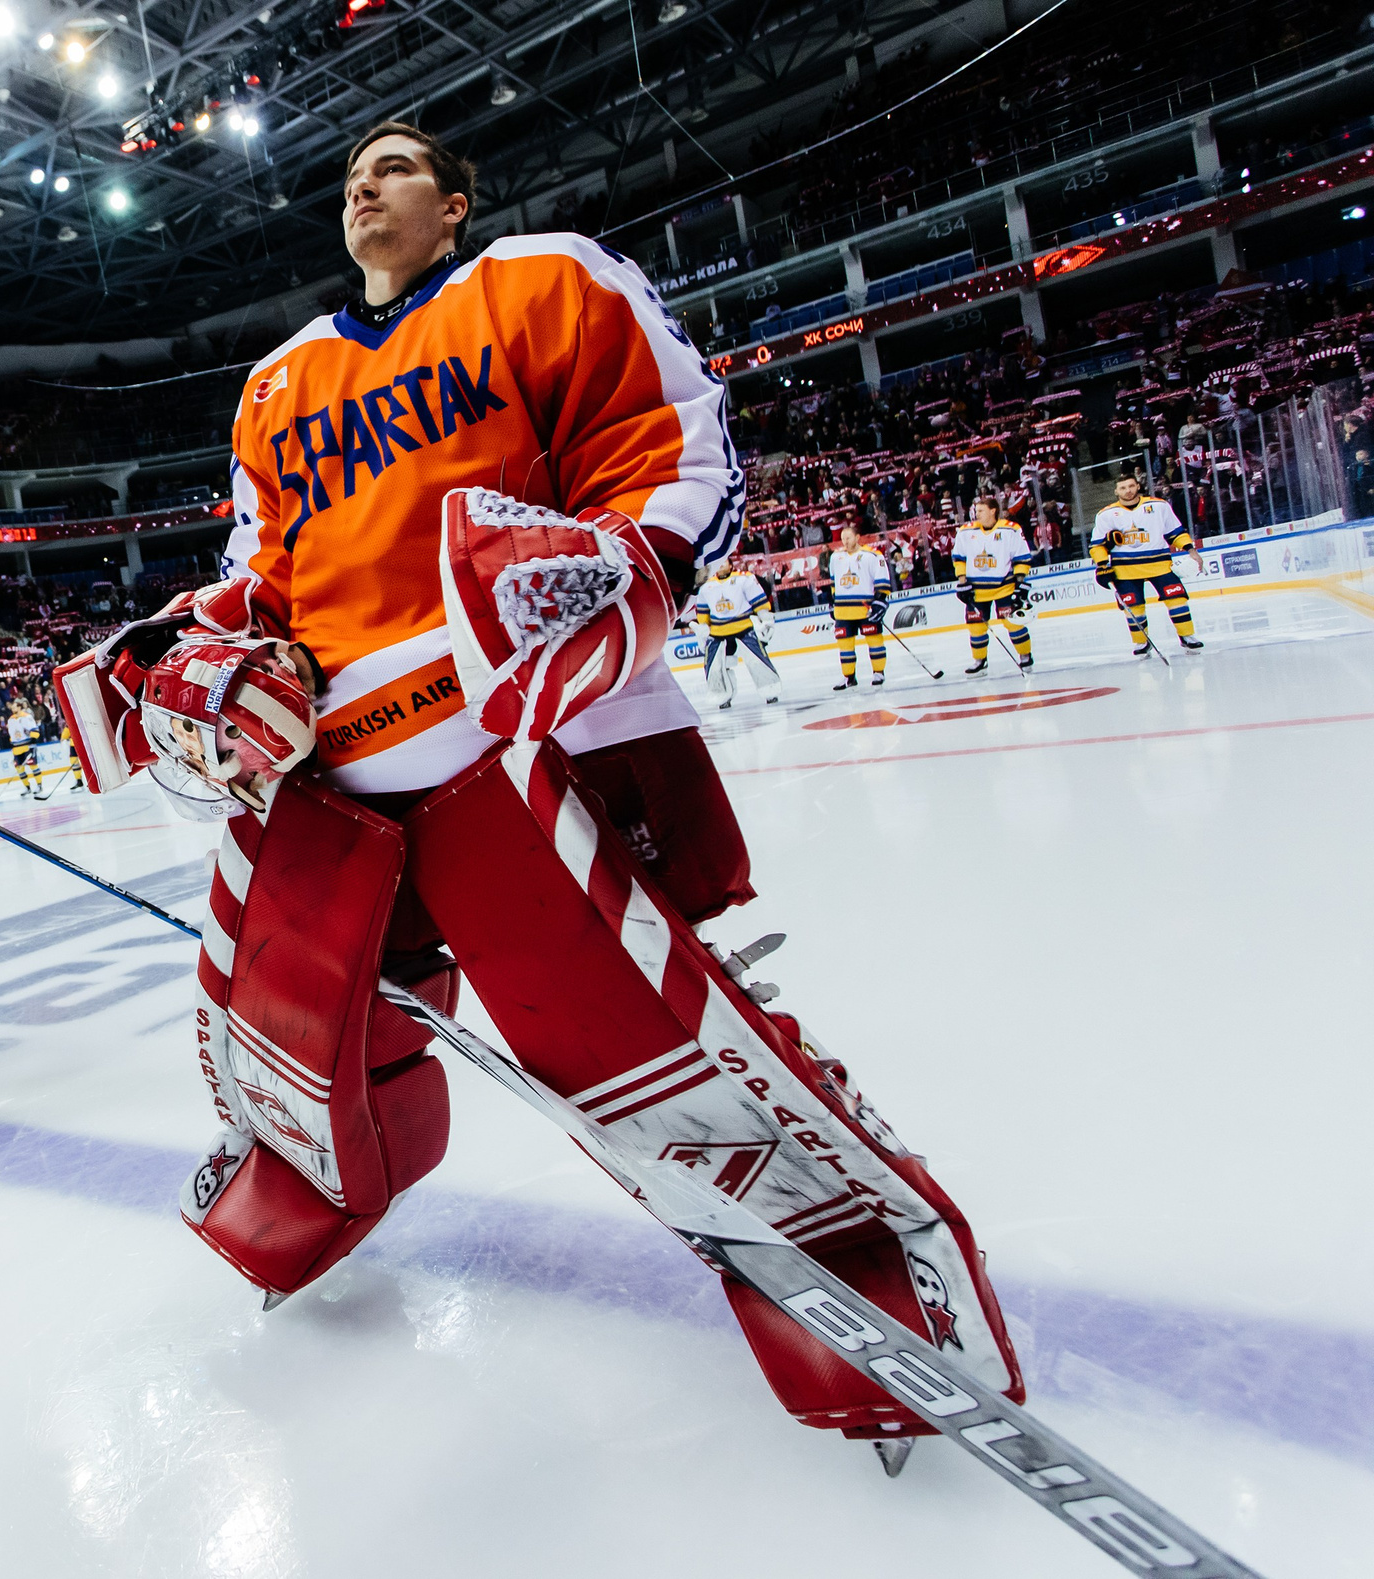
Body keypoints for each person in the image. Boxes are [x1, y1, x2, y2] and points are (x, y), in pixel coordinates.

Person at [53, 119, 1021, 1469]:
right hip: (329, 787)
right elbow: (261, 574)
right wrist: (191, 654)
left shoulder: (544, 282)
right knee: (281, 1047)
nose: (363, 186)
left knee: (660, 1060)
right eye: (349, 177)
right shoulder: (276, 383)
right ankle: (297, 1220)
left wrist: (611, 579)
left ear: (455, 203)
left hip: (515, 750)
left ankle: (878, 1318)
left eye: (394, 168)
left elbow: (675, 459)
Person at [1089, 471, 1204, 657]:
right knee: (1133, 607)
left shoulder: (1159, 506)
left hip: (1159, 563)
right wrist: (1103, 564)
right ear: (1116, 491)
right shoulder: (1106, 514)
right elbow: (1096, 546)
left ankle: (1187, 636)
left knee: (1177, 598)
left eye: (1131, 486)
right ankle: (1141, 643)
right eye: (1123, 488)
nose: (1128, 491)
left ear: (1138, 486)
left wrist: (1191, 550)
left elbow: (1175, 532)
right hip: (1124, 568)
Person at [950, 495, 1034, 674]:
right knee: (976, 627)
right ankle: (980, 660)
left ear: (993, 510)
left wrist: (1020, 583)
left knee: (1013, 623)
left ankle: (1025, 655)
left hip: (1004, 587)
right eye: (975, 510)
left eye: (980, 510)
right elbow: (959, 558)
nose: (976, 514)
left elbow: (1021, 558)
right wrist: (962, 581)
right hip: (977, 590)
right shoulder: (966, 531)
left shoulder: (1010, 530)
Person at [691, 560, 780, 708]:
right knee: (714, 666)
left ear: (731, 566)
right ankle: (722, 696)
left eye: (724, 562)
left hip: (743, 625)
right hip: (718, 630)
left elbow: (758, 601)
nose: (720, 565)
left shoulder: (744, 579)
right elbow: (703, 611)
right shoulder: (706, 586)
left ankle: (770, 690)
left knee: (757, 660)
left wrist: (764, 616)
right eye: (719, 563)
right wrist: (703, 626)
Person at [822, 523, 892, 691]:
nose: (845, 541)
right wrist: (833, 602)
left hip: (865, 608)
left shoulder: (872, 555)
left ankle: (878, 672)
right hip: (843, 610)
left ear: (857, 537)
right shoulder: (835, 557)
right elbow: (834, 583)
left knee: (874, 640)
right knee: (845, 645)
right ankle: (848, 676)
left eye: (848, 537)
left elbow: (882, 580)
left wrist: (880, 600)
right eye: (842, 538)